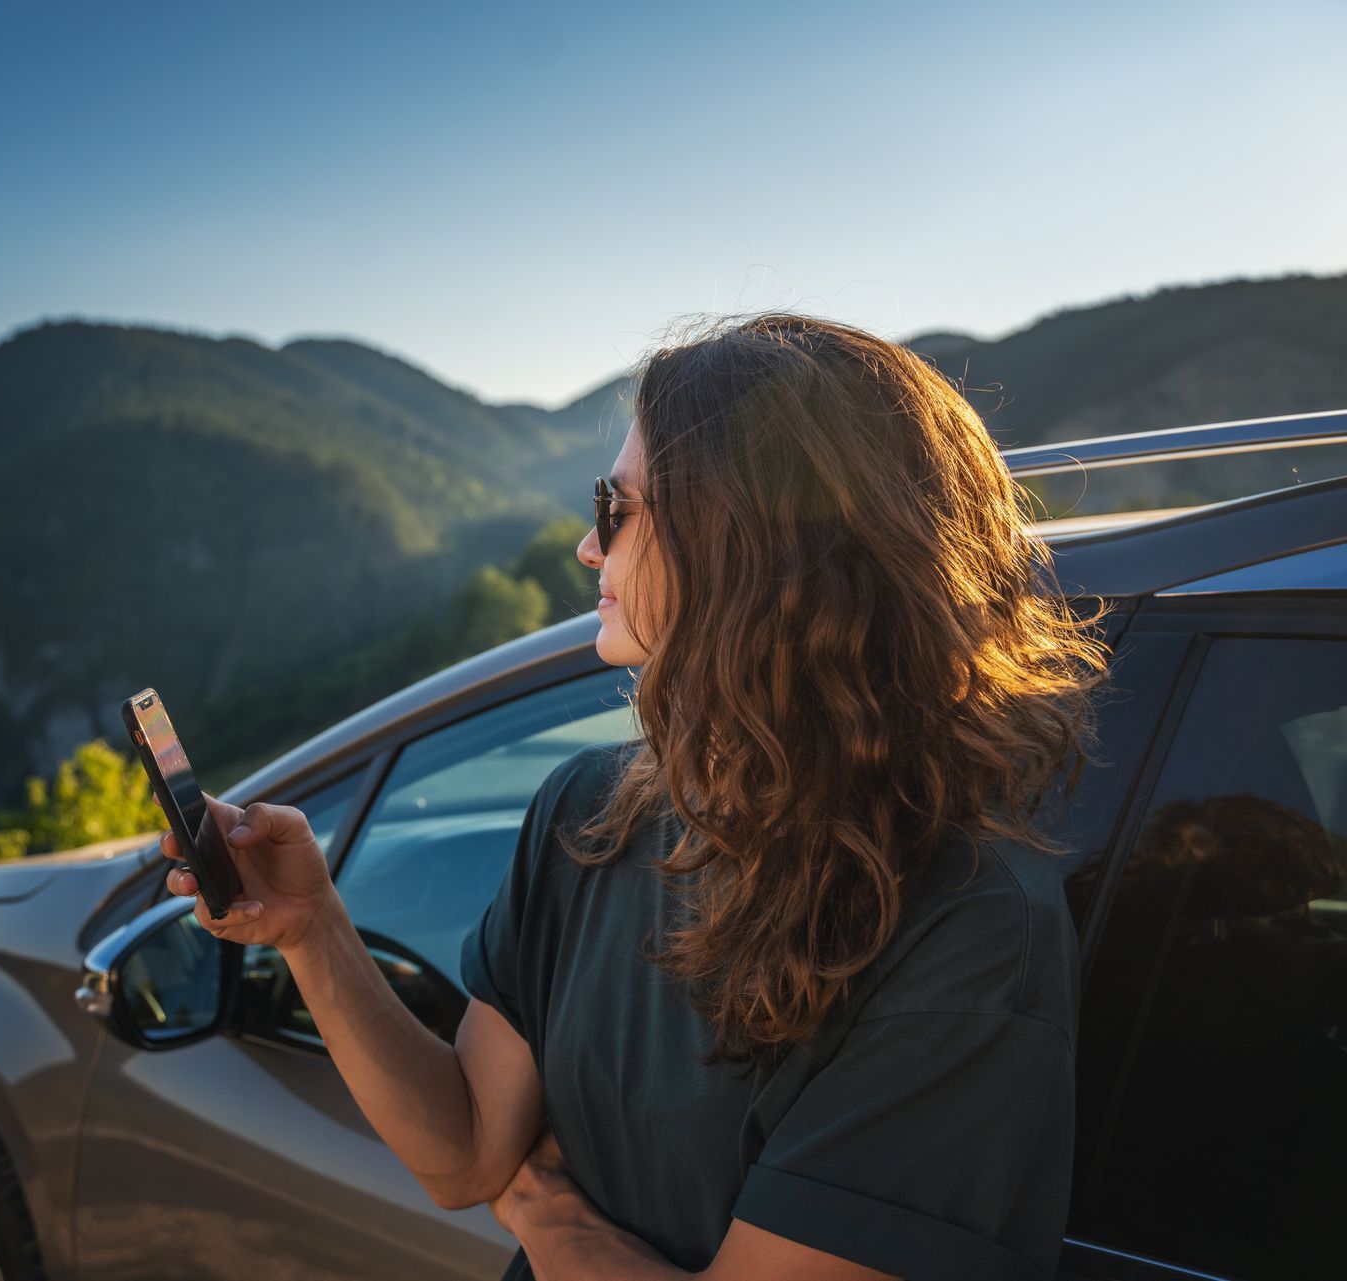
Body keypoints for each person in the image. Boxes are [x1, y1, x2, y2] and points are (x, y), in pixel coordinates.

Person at [159, 312, 1112, 1280]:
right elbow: (467, 1150)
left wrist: (552, 1220)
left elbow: (510, 1183)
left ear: (748, 544)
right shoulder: (588, 814)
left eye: (615, 509)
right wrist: (312, 928)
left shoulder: (970, 927)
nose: (587, 546)